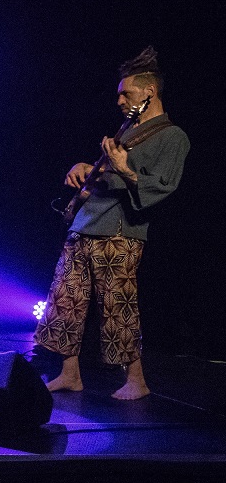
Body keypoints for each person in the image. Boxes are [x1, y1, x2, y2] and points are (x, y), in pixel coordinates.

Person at [35, 47, 189, 400]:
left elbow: (163, 185)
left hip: (119, 231)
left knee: (117, 305)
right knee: (65, 301)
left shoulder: (172, 136)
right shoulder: (127, 131)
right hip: (84, 225)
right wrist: (84, 168)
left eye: (126, 93)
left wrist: (123, 169)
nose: (119, 100)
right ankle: (70, 374)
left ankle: (137, 380)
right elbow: (105, 175)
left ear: (149, 92)